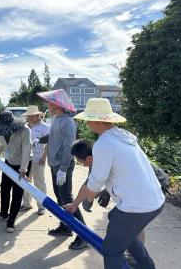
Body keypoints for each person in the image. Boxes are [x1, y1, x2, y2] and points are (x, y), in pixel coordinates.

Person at [73, 98, 165, 269]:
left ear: (94, 120)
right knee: (116, 220)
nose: (86, 123)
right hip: (154, 200)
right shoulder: (123, 137)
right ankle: (144, 265)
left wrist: (89, 199)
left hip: (137, 205)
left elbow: (95, 181)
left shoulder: (104, 143)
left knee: (111, 249)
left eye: (87, 120)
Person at [36, 89, 87, 250]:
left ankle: (83, 235)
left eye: (49, 102)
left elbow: (68, 147)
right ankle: (66, 226)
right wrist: (40, 140)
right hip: (54, 165)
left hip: (62, 165)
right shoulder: (56, 118)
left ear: (57, 104)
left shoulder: (68, 122)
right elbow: (53, 136)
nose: (47, 104)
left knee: (68, 200)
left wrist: (63, 168)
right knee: (60, 199)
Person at [0, 110, 32, 233]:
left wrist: (23, 169)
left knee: (17, 192)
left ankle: (12, 220)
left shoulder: (24, 130)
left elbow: (26, 149)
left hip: (22, 163)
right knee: (4, 188)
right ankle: (4, 213)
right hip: (8, 162)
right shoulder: (0, 131)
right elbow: (2, 145)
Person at [20, 105, 49, 215]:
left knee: (39, 183)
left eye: (32, 115)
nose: (30, 117)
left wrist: (44, 156)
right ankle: (26, 204)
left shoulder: (44, 127)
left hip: (38, 158)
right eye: (29, 116)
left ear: (38, 116)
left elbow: (48, 143)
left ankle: (42, 206)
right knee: (25, 182)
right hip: (25, 160)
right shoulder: (24, 126)